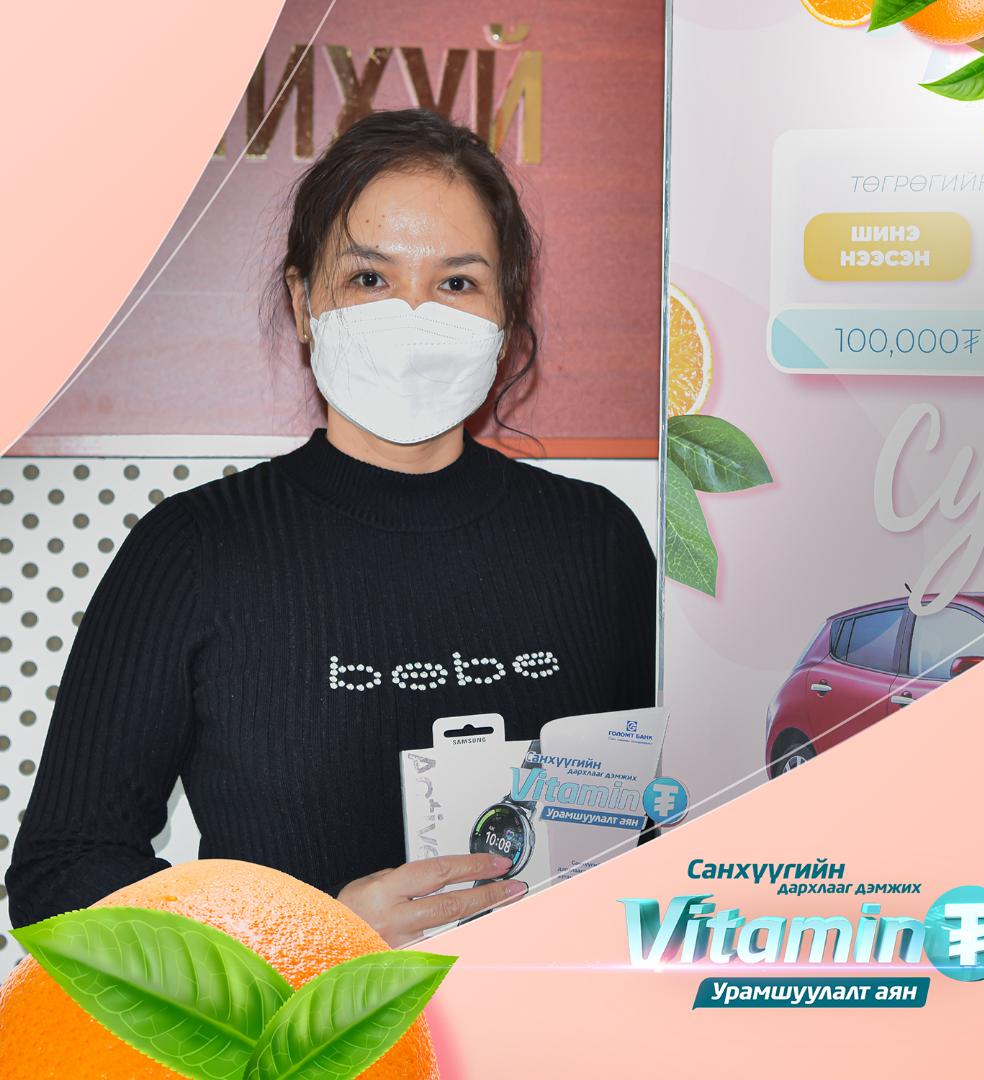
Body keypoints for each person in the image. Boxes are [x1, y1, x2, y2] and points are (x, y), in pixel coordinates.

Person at [5, 108, 658, 947]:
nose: (413, 315)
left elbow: (667, 818)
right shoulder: (195, 549)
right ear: (304, 301)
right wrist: (310, 940)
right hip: (297, 1027)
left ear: (506, 314)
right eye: (369, 278)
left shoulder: (596, 540)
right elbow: (61, 873)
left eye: (457, 283)